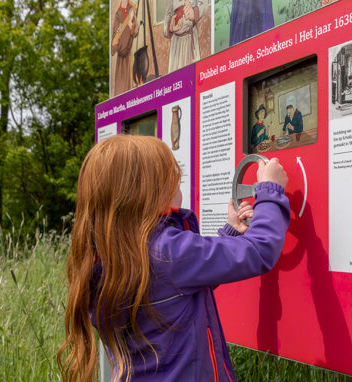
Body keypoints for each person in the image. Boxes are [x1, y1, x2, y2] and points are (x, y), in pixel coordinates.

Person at [57, 135, 289, 381]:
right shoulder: (169, 252)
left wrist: (230, 233)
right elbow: (260, 250)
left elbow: (183, 286)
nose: (179, 188)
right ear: (150, 193)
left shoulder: (108, 258)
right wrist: (270, 191)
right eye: (174, 181)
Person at [164, 0, 209, 73]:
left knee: (192, 74)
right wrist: (170, 27)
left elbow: (204, 4)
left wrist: (194, 13)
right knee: (175, 76)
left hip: (190, 39)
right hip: (176, 44)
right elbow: (167, 15)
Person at [112, 0, 138, 96]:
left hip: (128, 48)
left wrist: (130, 25)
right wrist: (116, 40)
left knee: (128, 80)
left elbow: (135, 31)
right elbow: (115, 33)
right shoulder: (118, 12)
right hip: (120, 50)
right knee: (120, 83)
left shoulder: (131, 7)